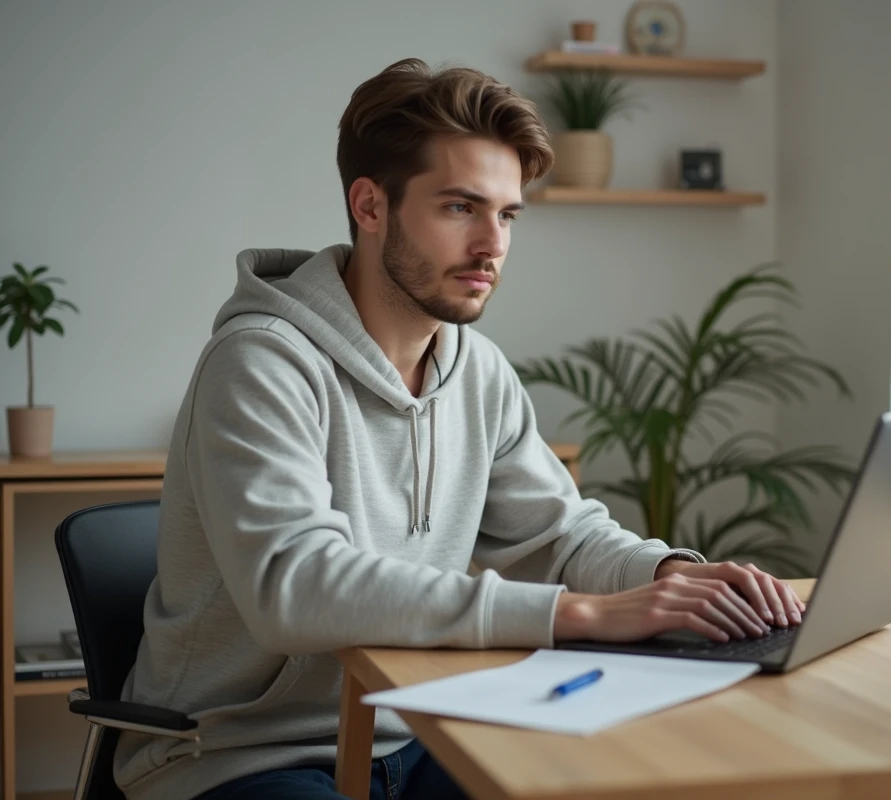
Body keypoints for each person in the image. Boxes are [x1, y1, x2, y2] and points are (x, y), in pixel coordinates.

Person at [115, 58, 805, 800]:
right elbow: (295, 585)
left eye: (507, 215)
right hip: (236, 755)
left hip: (413, 728)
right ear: (370, 205)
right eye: (459, 208)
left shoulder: (477, 370)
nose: (491, 245)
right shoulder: (260, 363)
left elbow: (559, 536)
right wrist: (580, 615)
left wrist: (668, 575)